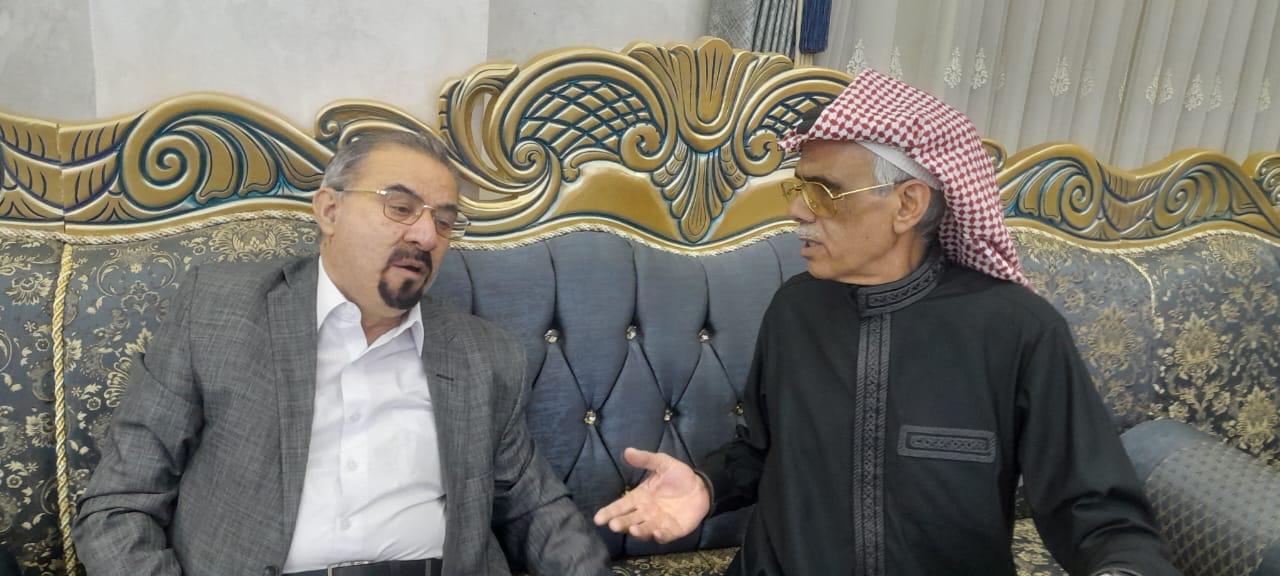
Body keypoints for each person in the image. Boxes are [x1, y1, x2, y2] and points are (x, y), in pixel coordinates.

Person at [593, 69, 1179, 576]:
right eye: (799, 188)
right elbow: (768, 452)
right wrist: (707, 484)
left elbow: (1096, 508)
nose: (797, 209)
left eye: (824, 192)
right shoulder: (795, 311)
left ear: (908, 204)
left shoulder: (1016, 330)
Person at [73, 130, 609, 576]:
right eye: (401, 207)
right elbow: (119, 506)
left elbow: (536, 510)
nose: (427, 235)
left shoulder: (483, 354)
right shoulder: (216, 312)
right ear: (329, 210)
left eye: (444, 221)